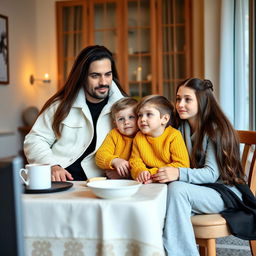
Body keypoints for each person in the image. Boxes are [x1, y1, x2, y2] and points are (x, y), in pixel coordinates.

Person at [151, 78, 250, 256]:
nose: (180, 104)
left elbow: (211, 174)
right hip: (198, 190)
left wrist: (178, 173)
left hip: (224, 191)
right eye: (178, 98)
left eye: (187, 99)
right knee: (160, 193)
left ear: (202, 101)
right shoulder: (178, 127)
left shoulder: (215, 129)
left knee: (177, 190)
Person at [24, 45, 126, 181]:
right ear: (82, 77)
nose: (103, 82)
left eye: (107, 74)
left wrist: (126, 171)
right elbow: (34, 140)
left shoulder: (125, 108)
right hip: (61, 181)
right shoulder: (60, 105)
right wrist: (52, 166)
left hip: (102, 182)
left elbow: (141, 144)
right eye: (95, 76)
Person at [129, 95, 190, 184]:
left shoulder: (173, 135)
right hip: (148, 180)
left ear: (164, 119)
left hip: (171, 181)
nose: (142, 119)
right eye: (140, 115)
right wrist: (141, 172)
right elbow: (135, 161)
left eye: (149, 114)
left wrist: (151, 173)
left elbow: (182, 165)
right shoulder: (138, 137)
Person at [95, 97, 138, 179]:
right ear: (115, 123)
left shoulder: (143, 135)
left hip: (137, 177)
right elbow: (100, 156)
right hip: (116, 181)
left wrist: (126, 174)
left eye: (131, 117)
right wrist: (115, 161)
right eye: (121, 119)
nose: (126, 122)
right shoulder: (114, 135)